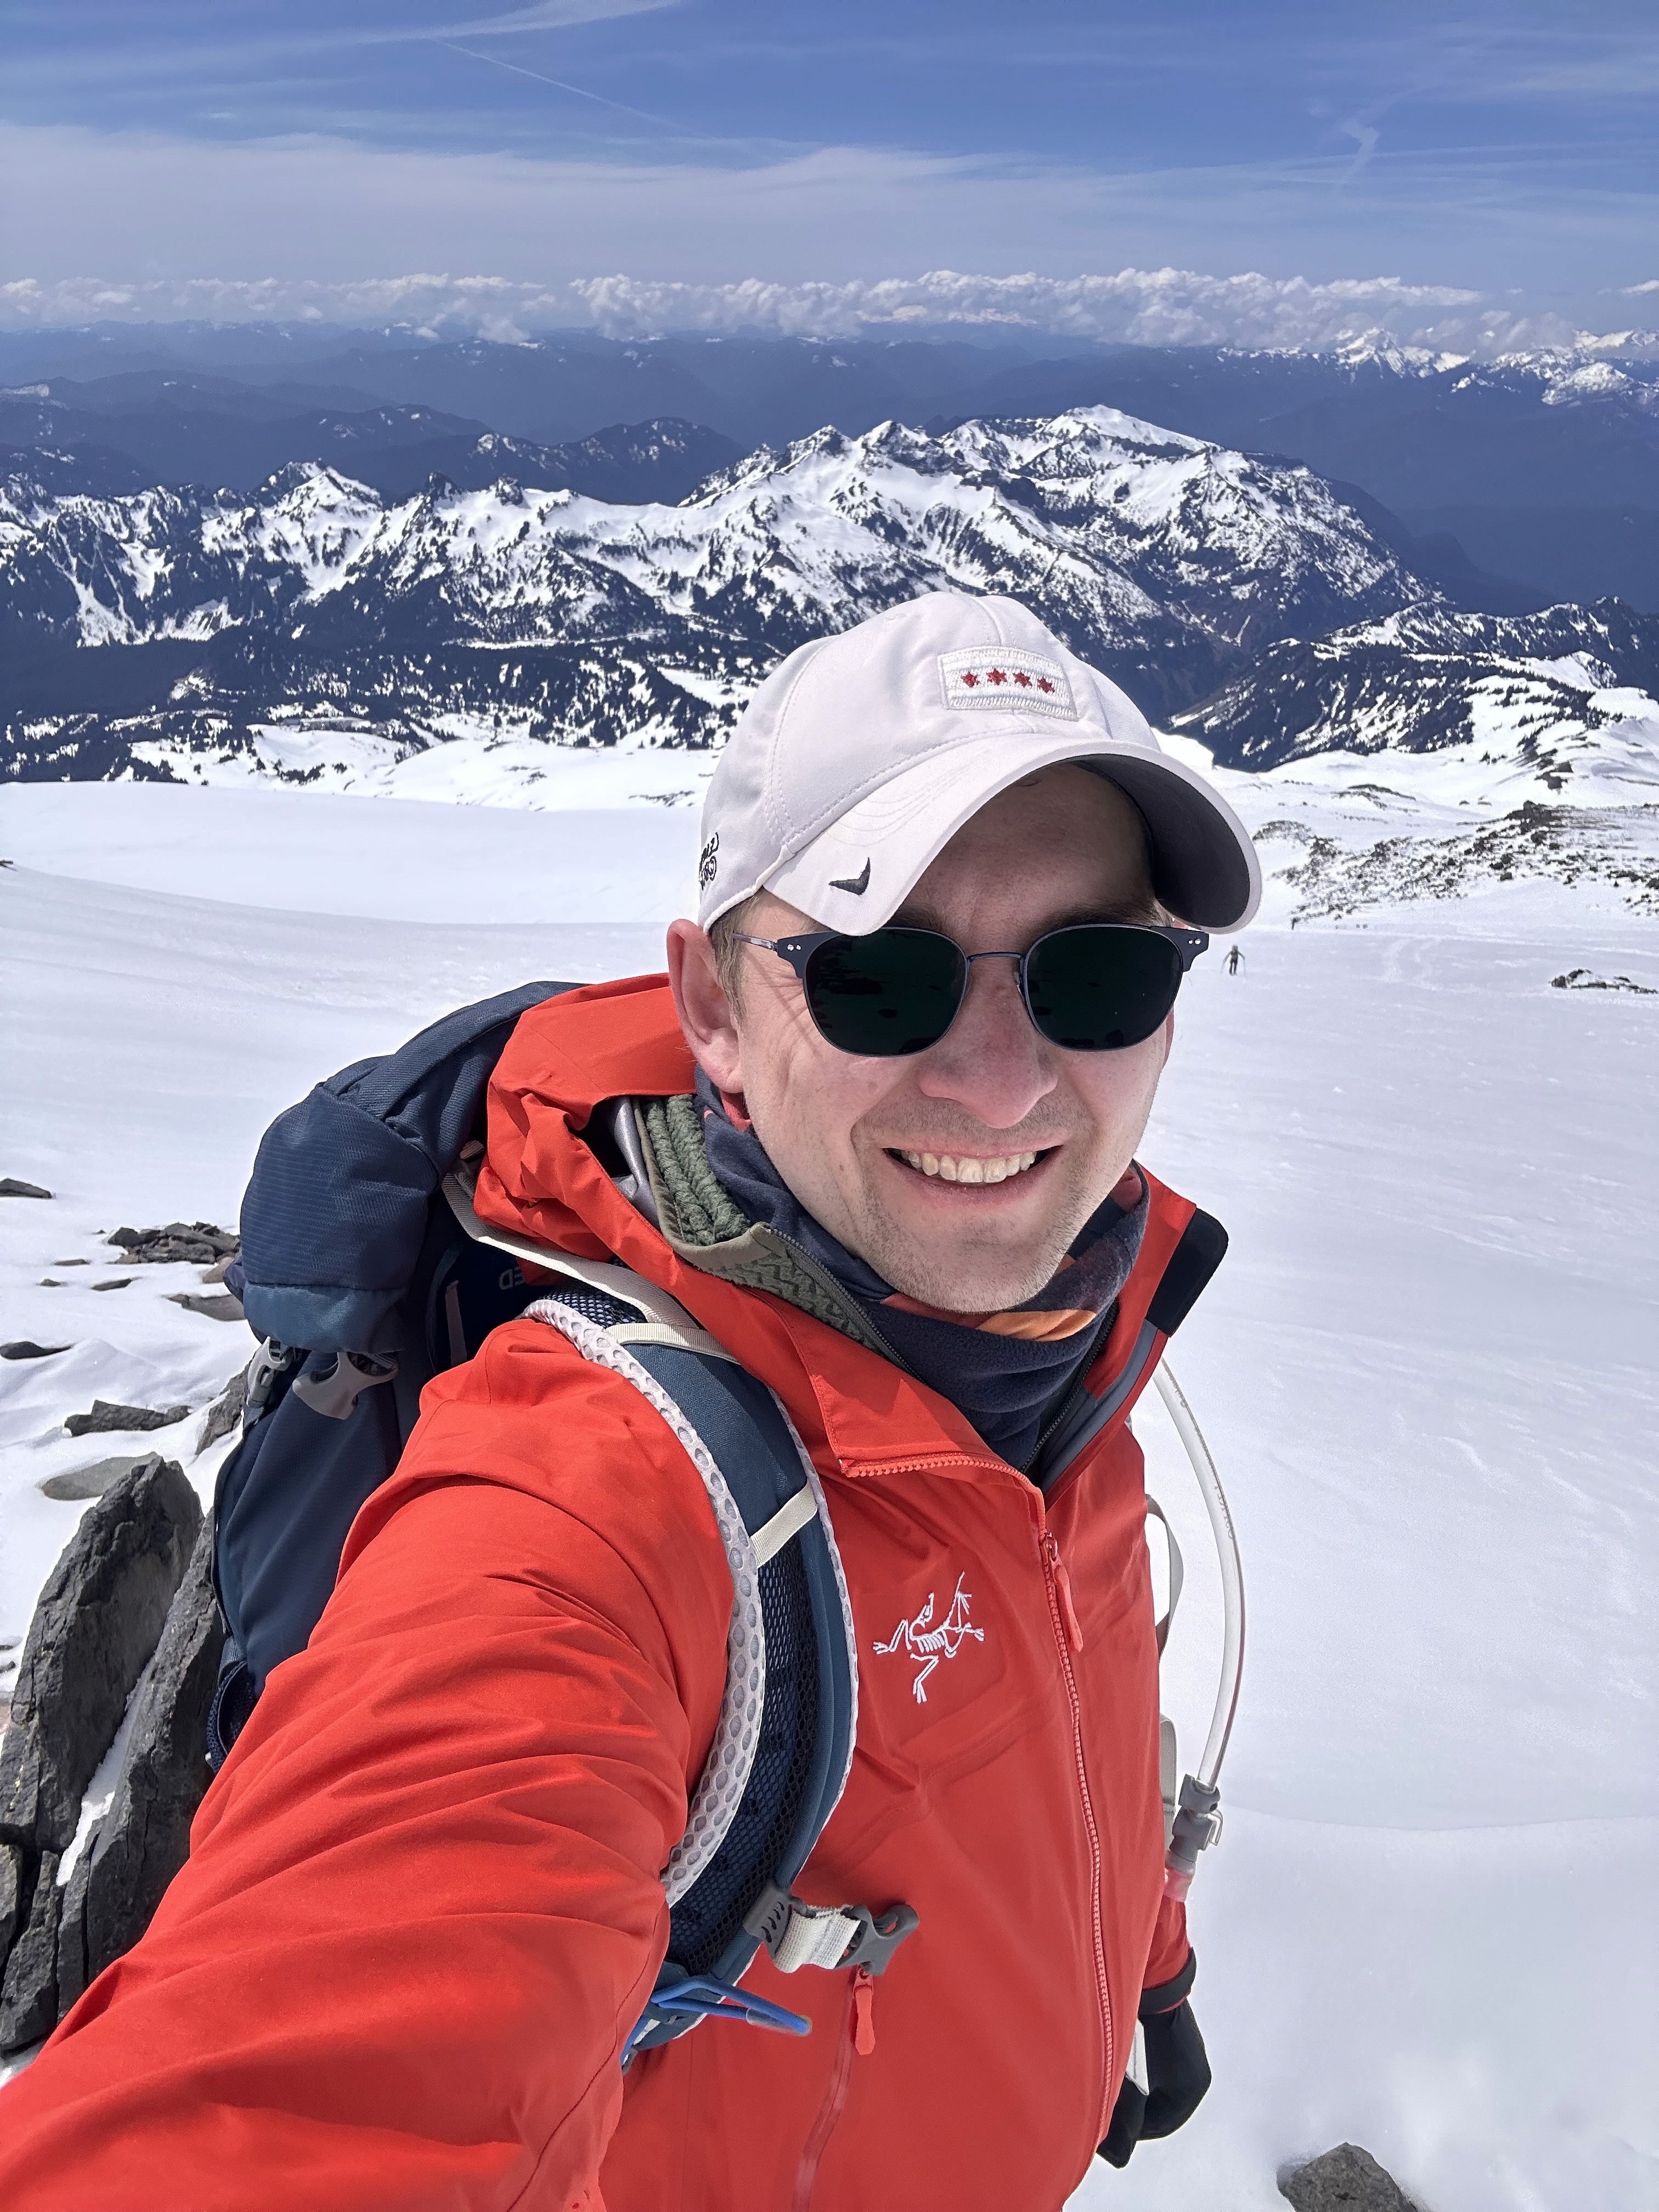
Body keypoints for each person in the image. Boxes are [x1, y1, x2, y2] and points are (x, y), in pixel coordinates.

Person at [0, 591, 1260, 2210]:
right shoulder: (592, 1498)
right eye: (881, 980)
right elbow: (313, 2079)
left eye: (1096, 979)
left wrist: (1136, 1968)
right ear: (718, 1011)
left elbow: (1068, 1708)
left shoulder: (1063, 1349)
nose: (1005, 1083)